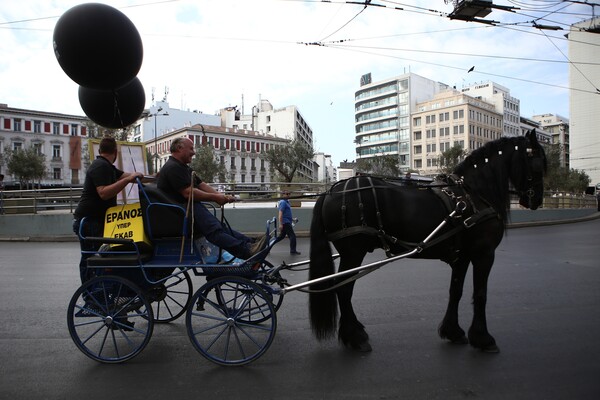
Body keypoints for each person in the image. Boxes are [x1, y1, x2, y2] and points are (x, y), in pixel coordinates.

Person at [157, 137, 264, 260]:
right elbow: (188, 193)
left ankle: (251, 243)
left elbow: (201, 185)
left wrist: (221, 196)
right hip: (181, 211)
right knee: (214, 232)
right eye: (191, 149)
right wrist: (215, 198)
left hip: (189, 208)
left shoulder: (182, 167)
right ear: (179, 148)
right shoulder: (173, 168)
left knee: (220, 228)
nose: (194, 152)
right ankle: (245, 251)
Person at [73, 137, 144, 284]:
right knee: (90, 258)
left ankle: (101, 289)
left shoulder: (108, 167)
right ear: (115, 152)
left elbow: (129, 177)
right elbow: (104, 193)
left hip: (95, 220)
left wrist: (149, 178)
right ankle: (91, 295)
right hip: (89, 221)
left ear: (100, 151)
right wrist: (125, 180)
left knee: (99, 256)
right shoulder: (100, 166)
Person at [277, 191, 300, 255]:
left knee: (281, 237)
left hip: (287, 221)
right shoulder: (283, 202)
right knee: (292, 236)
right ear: (283, 195)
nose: (288, 195)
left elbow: (286, 214)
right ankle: (293, 250)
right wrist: (280, 224)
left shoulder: (287, 202)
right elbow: (280, 214)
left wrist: (293, 219)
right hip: (285, 222)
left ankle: (268, 245)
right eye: (287, 194)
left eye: (289, 194)